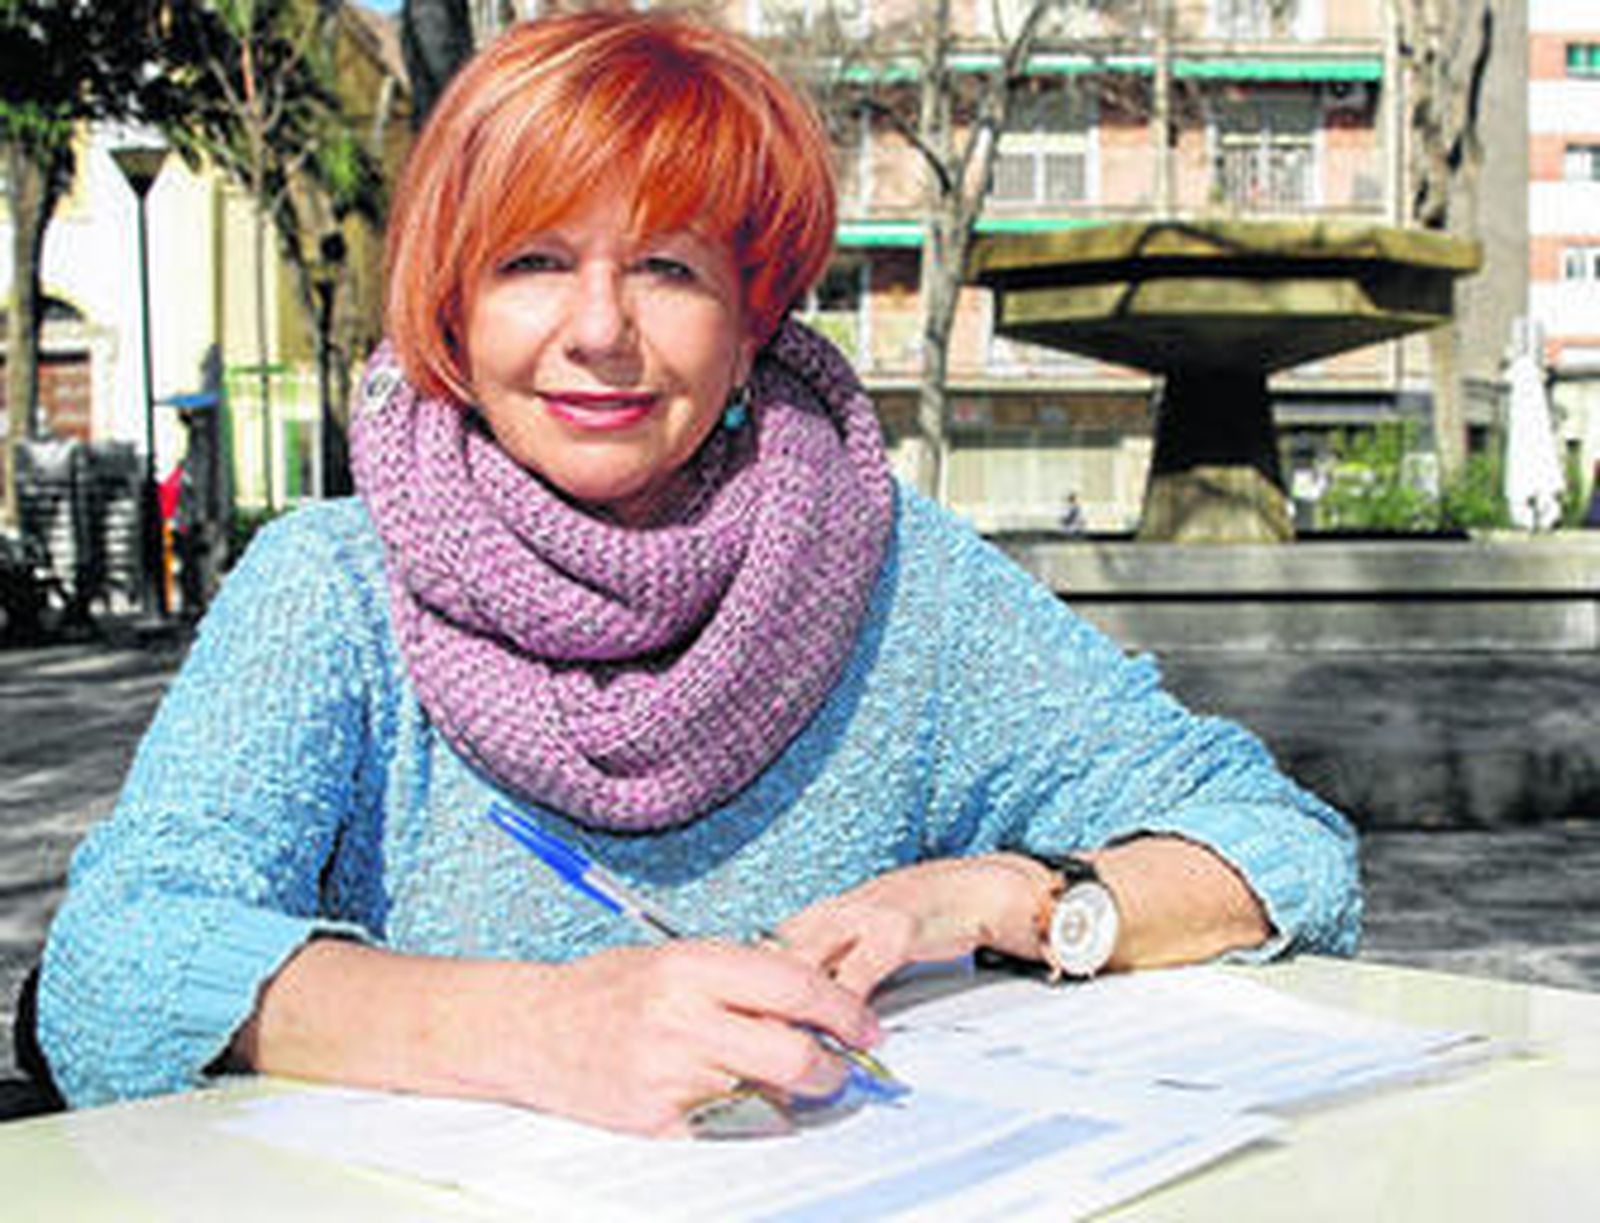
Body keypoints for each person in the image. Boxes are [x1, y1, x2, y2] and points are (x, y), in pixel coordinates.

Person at [36, 10, 1359, 1139]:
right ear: (452, 305)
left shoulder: (902, 578)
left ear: (749, 320)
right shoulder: (330, 587)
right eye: (534, 263)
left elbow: (1287, 854)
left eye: (666, 268)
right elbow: (113, 975)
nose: (600, 330)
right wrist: (547, 1029)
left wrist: (1006, 894)